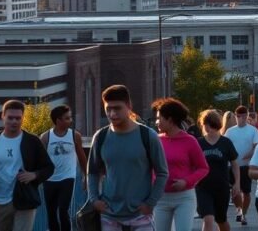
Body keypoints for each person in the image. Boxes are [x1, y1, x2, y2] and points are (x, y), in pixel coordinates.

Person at [87, 85, 170, 231]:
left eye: (117, 108)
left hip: (140, 214)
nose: (112, 114)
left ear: (129, 106)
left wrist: (150, 203)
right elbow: (92, 172)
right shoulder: (100, 137)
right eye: (108, 109)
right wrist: (94, 200)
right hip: (109, 214)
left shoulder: (148, 136)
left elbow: (162, 173)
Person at [0, 100, 55, 231]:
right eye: (10, 118)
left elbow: (49, 167)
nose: (14, 121)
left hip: (25, 198)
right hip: (0, 200)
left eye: (18, 118)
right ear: (2, 117)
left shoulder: (32, 141)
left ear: (23, 118)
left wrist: (34, 175)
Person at [152, 97, 209, 231]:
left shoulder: (190, 141)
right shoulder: (155, 140)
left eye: (159, 118)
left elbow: (203, 168)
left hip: (184, 198)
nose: (156, 122)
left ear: (170, 120)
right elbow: (148, 167)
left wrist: (186, 181)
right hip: (161, 198)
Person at [41, 104, 89, 231]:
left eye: (70, 117)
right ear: (58, 120)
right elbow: (41, 160)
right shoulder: (46, 137)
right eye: (67, 118)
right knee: (51, 213)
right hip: (50, 179)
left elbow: (82, 156)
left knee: (63, 210)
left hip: (67, 178)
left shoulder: (74, 135)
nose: (70, 120)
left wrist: (86, 175)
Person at [196, 109, 241, 231]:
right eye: (205, 124)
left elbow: (235, 163)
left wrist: (237, 183)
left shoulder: (225, 142)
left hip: (222, 187)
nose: (207, 127)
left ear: (215, 125)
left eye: (210, 124)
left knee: (221, 220)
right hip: (203, 188)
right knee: (208, 218)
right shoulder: (198, 143)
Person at [226, 105, 258, 227]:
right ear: (236, 116)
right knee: (236, 192)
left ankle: (244, 213)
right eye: (239, 116)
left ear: (247, 116)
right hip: (233, 166)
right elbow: (225, 147)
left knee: (246, 192)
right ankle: (239, 212)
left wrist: (250, 154)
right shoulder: (230, 131)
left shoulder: (253, 130)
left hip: (247, 166)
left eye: (244, 116)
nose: (242, 118)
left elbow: (257, 145)